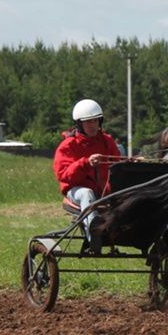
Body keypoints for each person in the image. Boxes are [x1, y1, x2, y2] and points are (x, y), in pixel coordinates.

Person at [53, 98, 122, 253]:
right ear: (79, 124)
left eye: (96, 121)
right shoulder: (68, 145)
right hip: (76, 192)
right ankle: (95, 234)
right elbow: (64, 176)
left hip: (103, 191)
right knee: (86, 193)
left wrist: (134, 161)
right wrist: (86, 163)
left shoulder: (107, 141)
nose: (93, 125)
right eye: (88, 122)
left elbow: (118, 163)